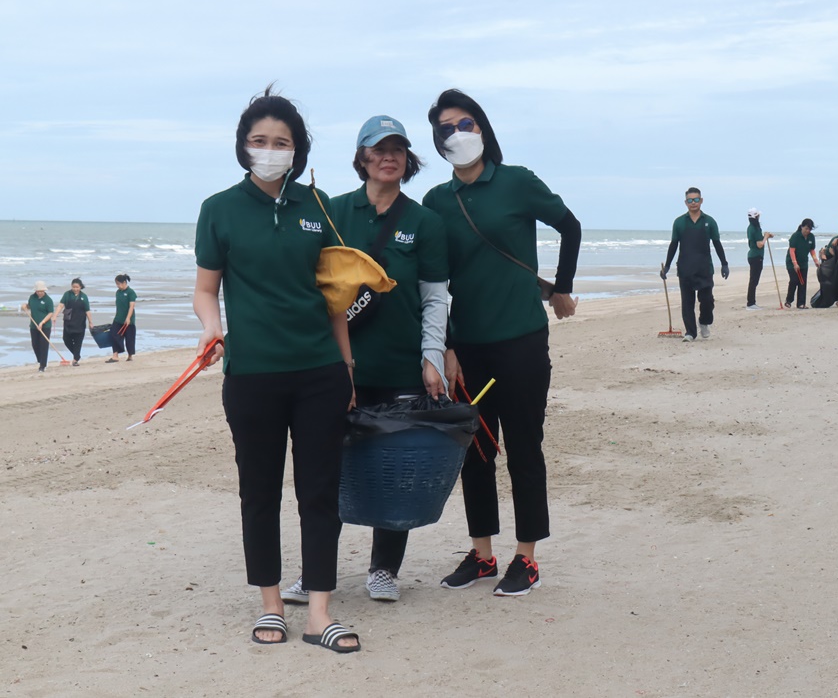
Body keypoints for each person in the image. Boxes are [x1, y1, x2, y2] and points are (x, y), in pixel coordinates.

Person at [193, 87, 359, 651]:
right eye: (260, 140)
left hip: (319, 372)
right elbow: (206, 289)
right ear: (243, 146)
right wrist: (211, 328)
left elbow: (335, 295)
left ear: (297, 149)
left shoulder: (319, 206)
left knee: (320, 493)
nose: (270, 150)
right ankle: (270, 606)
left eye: (281, 142)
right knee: (259, 492)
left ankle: (319, 614)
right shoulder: (219, 209)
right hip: (252, 375)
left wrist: (347, 366)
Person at [281, 115, 448, 605]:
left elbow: (435, 298)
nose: (387, 157)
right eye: (378, 149)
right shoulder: (331, 211)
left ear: (408, 159)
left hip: (402, 366)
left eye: (397, 149)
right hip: (336, 366)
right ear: (362, 157)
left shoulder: (425, 222)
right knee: (324, 472)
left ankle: (384, 570)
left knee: (395, 471)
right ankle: (316, 573)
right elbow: (311, 288)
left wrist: (433, 357)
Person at [422, 88, 581, 596]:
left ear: (483, 128)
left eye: (465, 124)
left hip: (522, 341)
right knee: (474, 451)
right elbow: (433, 284)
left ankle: (526, 558)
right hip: (468, 346)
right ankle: (483, 554)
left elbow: (570, 226)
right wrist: (446, 345)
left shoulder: (516, 181)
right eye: (446, 129)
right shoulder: (436, 202)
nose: (457, 134)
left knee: (524, 447)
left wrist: (563, 287)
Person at [661, 187, 729, 341]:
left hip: (704, 268)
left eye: (696, 199)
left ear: (701, 201)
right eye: (690, 200)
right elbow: (673, 245)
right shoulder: (679, 222)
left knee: (707, 301)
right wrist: (667, 266)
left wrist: (724, 263)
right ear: (686, 202)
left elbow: (717, 243)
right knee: (687, 303)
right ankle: (690, 333)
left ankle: (704, 322)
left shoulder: (709, 221)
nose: (693, 203)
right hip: (685, 268)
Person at [53, 278, 93, 366]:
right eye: (73, 287)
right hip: (68, 322)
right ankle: (77, 355)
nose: (75, 289)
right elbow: (60, 305)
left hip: (80, 322)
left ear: (80, 287)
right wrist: (55, 315)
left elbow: (87, 310)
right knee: (66, 340)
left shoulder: (84, 296)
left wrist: (90, 322)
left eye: (77, 287)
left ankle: (75, 360)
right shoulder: (67, 294)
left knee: (78, 342)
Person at [784, 218, 819, 309]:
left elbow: (812, 250)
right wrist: (795, 264)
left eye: (809, 229)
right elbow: (792, 251)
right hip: (792, 262)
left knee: (802, 282)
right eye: (806, 228)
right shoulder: (795, 236)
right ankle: (789, 300)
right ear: (802, 227)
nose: (807, 231)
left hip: (803, 263)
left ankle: (801, 303)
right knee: (794, 280)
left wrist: (816, 261)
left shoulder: (811, 237)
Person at [21, 281, 54, 372]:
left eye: (41, 291)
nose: (40, 292)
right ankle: (40, 360)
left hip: (45, 326)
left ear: (44, 290)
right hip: (33, 325)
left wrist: (42, 322)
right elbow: (29, 306)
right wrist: (25, 306)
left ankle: (43, 365)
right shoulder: (32, 297)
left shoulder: (48, 300)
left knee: (43, 345)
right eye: (38, 291)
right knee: (35, 344)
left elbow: (50, 313)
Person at [745, 208, 772, 310]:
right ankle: (751, 303)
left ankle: (751, 302)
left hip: (755, 256)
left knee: (754, 280)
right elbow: (760, 244)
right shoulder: (754, 228)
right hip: (756, 256)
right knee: (754, 280)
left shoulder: (753, 227)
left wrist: (767, 236)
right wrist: (765, 237)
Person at [107, 274, 137, 362]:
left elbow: (131, 306)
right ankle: (115, 355)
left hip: (129, 320)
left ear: (124, 282)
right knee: (114, 335)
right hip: (118, 318)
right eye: (116, 284)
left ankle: (130, 356)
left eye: (118, 284)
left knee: (129, 338)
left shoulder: (131, 292)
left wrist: (128, 318)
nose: (117, 286)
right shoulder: (118, 292)